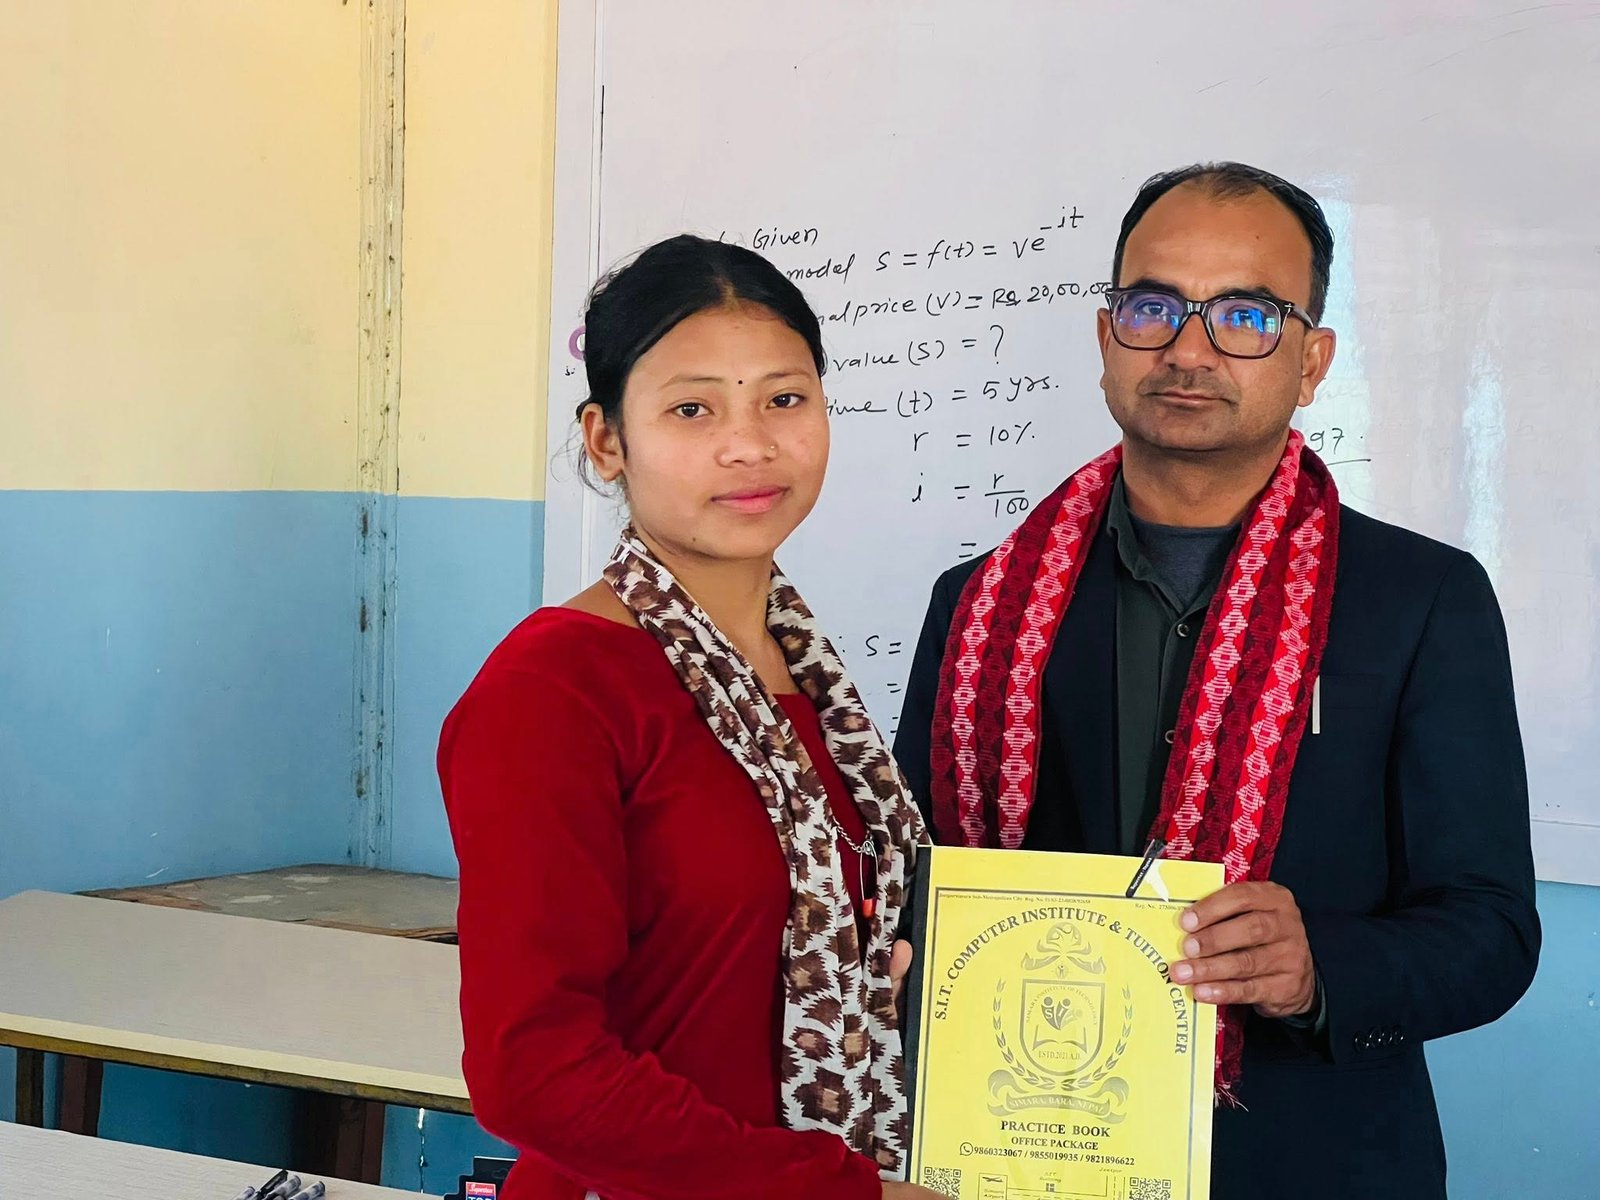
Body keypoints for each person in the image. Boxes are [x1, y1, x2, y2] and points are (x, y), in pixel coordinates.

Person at [894, 163, 1540, 1200]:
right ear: (1106, 337)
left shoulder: (1422, 600)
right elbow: (914, 887)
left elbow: (1492, 932)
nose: (1188, 349)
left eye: (1245, 315)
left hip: (1306, 1162)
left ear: (1311, 360)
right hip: (1019, 1152)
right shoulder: (979, 607)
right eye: (1153, 307)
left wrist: (1317, 968)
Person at [439, 234, 939, 1200]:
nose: (749, 444)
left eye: (784, 399)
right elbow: (531, 1070)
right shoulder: (553, 692)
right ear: (606, 441)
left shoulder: (803, 680)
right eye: (692, 409)